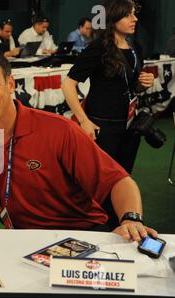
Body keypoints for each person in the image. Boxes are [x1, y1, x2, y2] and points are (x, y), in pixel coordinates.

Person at [0, 46, 157, 242]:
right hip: (23, 245)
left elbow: (118, 181)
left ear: (10, 84)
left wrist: (131, 219)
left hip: (83, 237)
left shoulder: (58, 130)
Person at [61, 0, 154, 175]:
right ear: (113, 17)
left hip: (129, 125)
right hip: (102, 127)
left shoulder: (135, 47)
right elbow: (68, 85)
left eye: (134, 13)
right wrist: (84, 121)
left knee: (123, 177)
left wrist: (142, 84)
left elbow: (131, 86)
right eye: (128, 15)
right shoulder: (98, 48)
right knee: (101, 180)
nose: (134, 19)